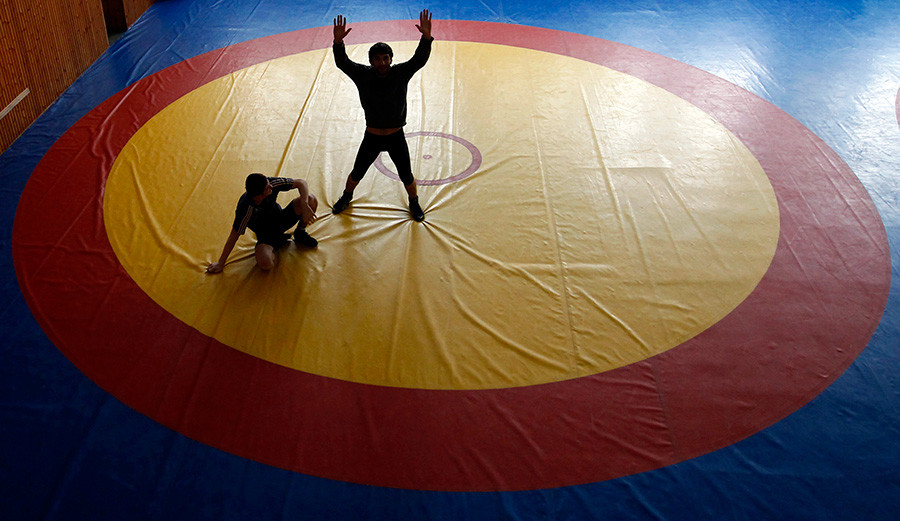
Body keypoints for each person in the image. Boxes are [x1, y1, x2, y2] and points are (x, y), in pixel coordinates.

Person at [330, 9, 434, 222]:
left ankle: (414, 202)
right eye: (377, 59)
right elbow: (343, 63)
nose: (382, 63)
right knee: (357, 172)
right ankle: (346, 196)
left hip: (396, 136)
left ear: (391, 59)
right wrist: (338, 42)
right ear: (371, 61)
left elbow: (418, 60)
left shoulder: (399, 73)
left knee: (406, 174)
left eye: (386, 58)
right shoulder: (363, 75)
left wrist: (426, 38)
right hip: (373, 136)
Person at [206, 173, 318, 273]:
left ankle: (300, 232)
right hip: (266, 236)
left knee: (310, 199)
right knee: (266, 264)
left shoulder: (270, 183)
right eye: (267, 188)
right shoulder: (245, 208)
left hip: (281, 219)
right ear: (258, 197)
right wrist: (221, 263)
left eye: (268, 183)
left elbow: (301, 182)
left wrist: (304, 203)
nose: (270, 186)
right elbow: (234, 235)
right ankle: (276, 243)